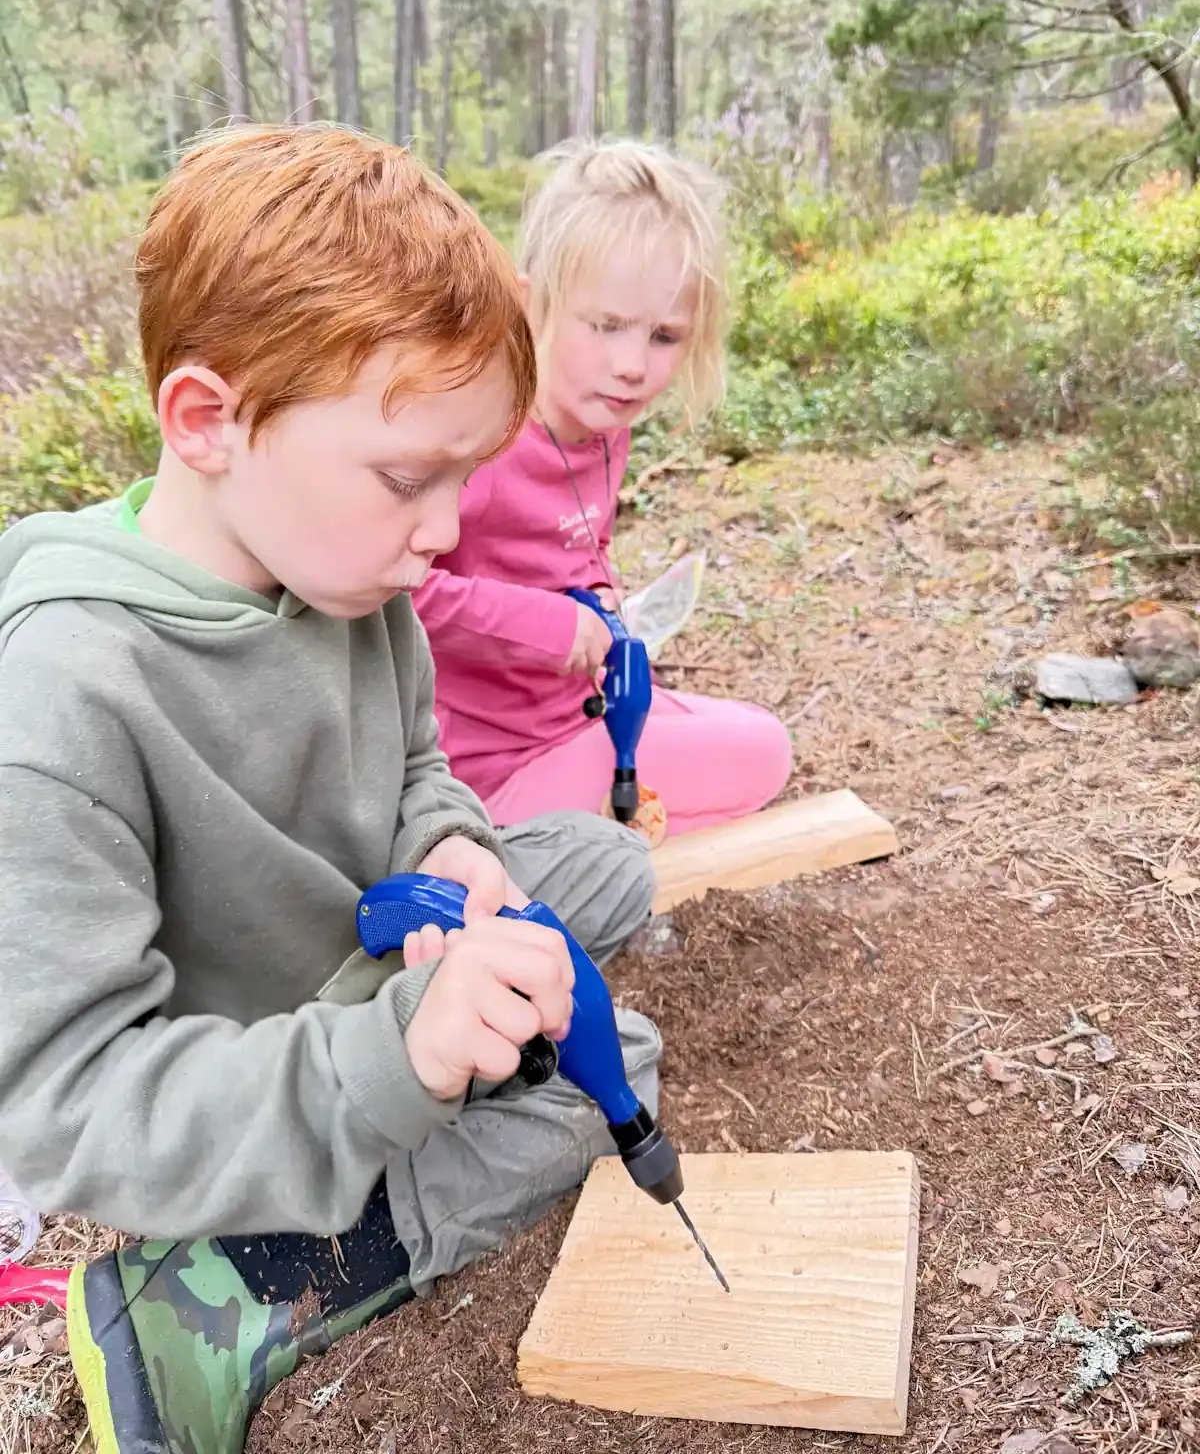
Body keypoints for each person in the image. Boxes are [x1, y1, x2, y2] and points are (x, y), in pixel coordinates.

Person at [0, 126, 659, 1454]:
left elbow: (414, 761)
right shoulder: (65, 695)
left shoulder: (352, 573)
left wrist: (453, 844)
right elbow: (64, 1103)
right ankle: (216, 1295)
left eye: (465, 477)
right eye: (411, 477)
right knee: (611, 1071)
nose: (447, 530)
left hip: (361, 939)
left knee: (607, 870)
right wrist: (394, 1056)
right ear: (208, 420)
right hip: (248, 1074)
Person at [412, 138, 793, 836]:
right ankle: (508, 836)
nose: (633, 365)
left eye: (664, 336)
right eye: (607, 326)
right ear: (531, 303)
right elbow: (397, 594)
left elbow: (576, 548)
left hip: (576, 713)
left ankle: (577, 822)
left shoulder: (603, 424)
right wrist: (551, 624)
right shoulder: (483, 442)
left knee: (762, 741)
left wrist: (600, 595)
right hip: (485, 759)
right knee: (760, 756)